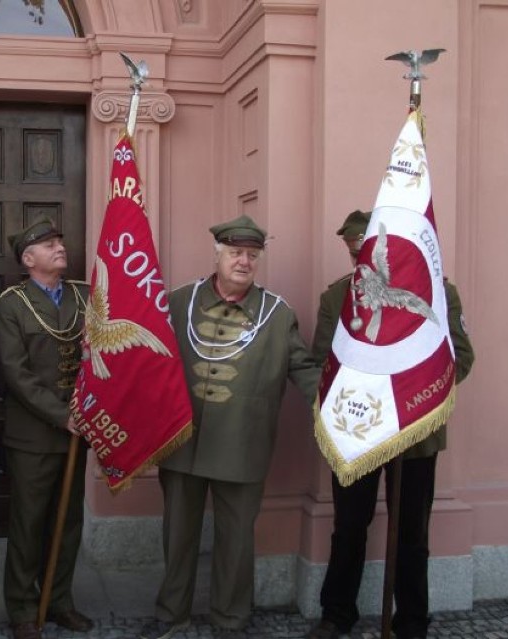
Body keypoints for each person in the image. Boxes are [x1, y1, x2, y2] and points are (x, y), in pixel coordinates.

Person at [140, 214, 321, 639]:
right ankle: (171, 614)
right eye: (236, 252)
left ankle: (230, 619)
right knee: (178, 535)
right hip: (182, 441)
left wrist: (340, 415)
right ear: (217, 254)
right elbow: (146, 363)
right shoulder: (178, 302)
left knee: (236, 542)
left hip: (242, 445)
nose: (244, 261)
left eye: (252, 255)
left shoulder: (277, 315)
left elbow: (305, 369)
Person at [307, 210, 475, 639]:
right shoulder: (336, 299)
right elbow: (320, 363)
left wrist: (411, 395)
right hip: (357, 432)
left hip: (414, 433)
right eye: (352, 254)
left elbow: (461, 357)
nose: (357, 261)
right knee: (348, 527)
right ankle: (336, 613)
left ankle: (413, 622)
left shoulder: (439, 294)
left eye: (362, 252)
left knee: (412, 534)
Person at [0, 216, 92, 639]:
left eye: (59, 241)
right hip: (34, 436)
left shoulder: (85, 297)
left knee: (67, 523)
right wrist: (61, 415)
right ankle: (21, 607)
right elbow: (16, 374)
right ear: (28, 258)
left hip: (78, 431)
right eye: (48, 244)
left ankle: (59, 600)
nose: (59, 248)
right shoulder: (11, 303)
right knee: (28, 525)